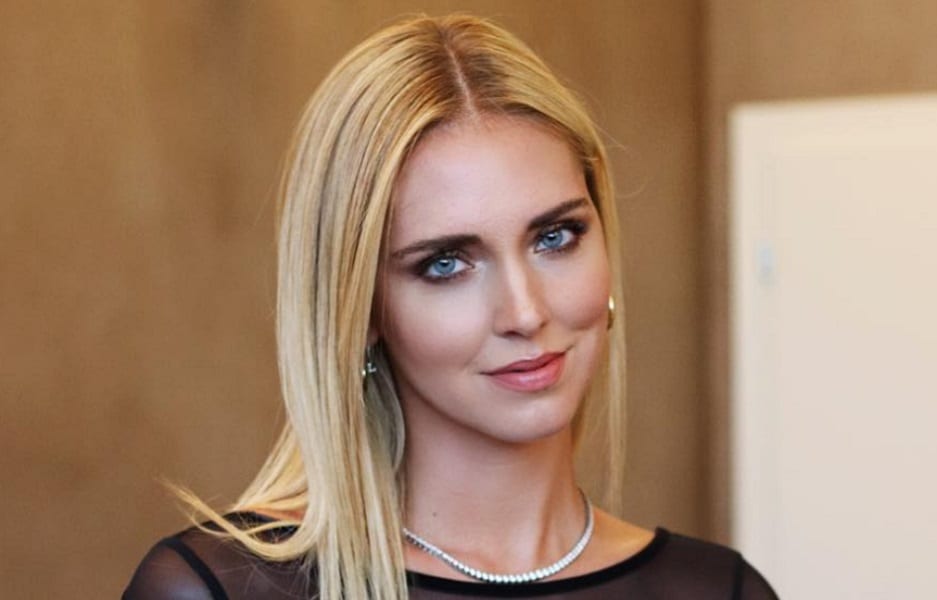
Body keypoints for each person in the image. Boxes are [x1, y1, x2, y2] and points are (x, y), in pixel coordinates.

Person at [123, 14, 778, 600]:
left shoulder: (720, 591)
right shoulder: (219, 590)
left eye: (555, 237)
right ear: (362, 310)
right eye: (445, 264)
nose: (524, 312)